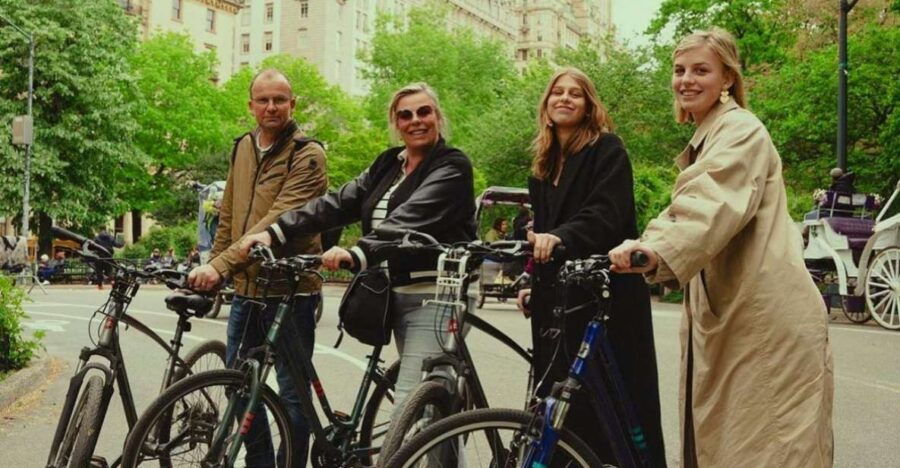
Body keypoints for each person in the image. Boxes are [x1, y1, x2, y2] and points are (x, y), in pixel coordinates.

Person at [608, 28, 834, 467]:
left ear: (727, 78)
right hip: (741, 319)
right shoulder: (711, 135)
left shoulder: (740, 131)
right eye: (679, 70)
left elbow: (711, 199)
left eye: (701, 70)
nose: (686, 80)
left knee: (768, 453)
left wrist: (652, 248)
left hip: (766, 327)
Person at [239, 82, 476, 419]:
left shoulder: (452, 166)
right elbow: (338, 202)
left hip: (436, 294)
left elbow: (409, 218)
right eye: (405, 115)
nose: (416, 121)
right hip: (393, 293)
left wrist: (358, 252)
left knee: (411, 406)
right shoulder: (388, 164)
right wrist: (274, 232)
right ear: (395, 123)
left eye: (424, 112)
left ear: (438, 117)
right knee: (432, 408)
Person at [516, 67, 666, 465]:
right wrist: (531, 277)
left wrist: (560, 236)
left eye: (575, 94)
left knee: (618, 402)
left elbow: (606, 214)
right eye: (557, 93)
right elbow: (541, 233)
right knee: (557, 399)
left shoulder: (608, 149)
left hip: (607, 292)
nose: (564, 98)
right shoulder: (543, 165)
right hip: (559, 295)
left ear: (588, 107)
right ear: (546, 107)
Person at [188, 68, 329, 467]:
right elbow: (229, 217)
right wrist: (216, 268)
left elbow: (279, 221)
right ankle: (262, 463)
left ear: (292, 104)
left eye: (279, 100)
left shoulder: (308, 155)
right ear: (251, 105)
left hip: (291, 292)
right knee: (238, 386)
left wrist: (220, 267)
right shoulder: (243, 147)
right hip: (247, 291)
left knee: (292, 394)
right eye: (263, 100)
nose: (271, 107)